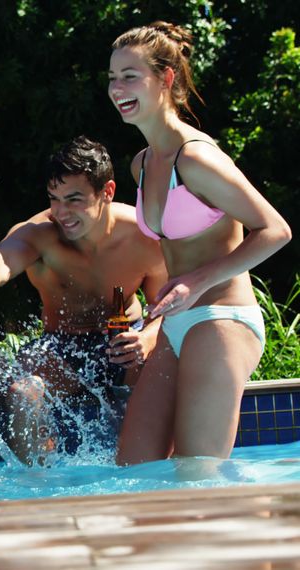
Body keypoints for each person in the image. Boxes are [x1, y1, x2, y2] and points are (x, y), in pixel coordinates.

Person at [108, 22, 291, 463]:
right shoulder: (143, 163)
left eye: (130, 76)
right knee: (134, 471)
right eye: (113, 78)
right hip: (177, 326)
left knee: (198, 475)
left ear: (166, 79)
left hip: (223, 317)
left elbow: (276, 229)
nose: (117, 88)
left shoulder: (197, 157)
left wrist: (196, 282)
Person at [0, 137, 169, 464]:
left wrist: (146, 338)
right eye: (54, 199)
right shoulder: (40, 234)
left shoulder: (142, 237)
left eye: (74, 199)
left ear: (108, 191)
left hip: (126, 343)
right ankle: (39, 487)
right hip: (62, 347)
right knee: (21, 390)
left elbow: (165, 308)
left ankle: (151, 478)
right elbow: (1, 260)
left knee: (162, 367)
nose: (61, 212)